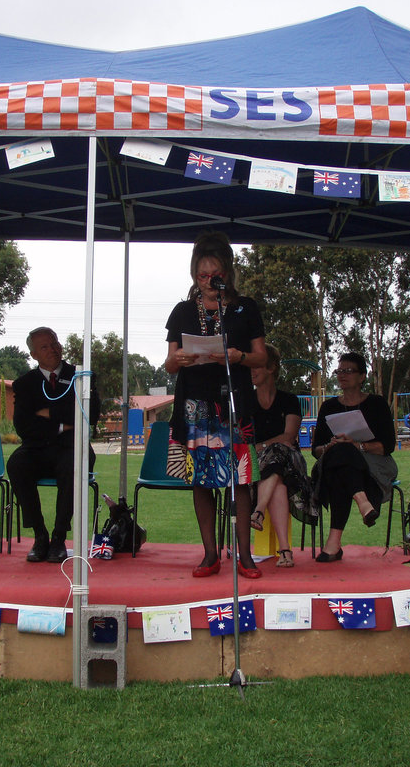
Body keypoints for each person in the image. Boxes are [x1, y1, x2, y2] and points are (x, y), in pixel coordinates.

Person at [165, 231, 267, 579]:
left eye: (215, 275)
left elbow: (261, 358)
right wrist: (177, 358)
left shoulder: (245, 307)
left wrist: (239, 356)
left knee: (240, 478)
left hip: (234, 403)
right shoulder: (181, 311)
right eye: (201, 275)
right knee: (201, 480)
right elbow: (168, 363)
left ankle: (245, 556)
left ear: (227, 272)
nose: (208, 281)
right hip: (196, 406)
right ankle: (210, 554)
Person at [6, 327, 100, 564]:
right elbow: (24, 426)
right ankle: (40, 535)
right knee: (16, 464)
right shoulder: (24, 384)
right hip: (38, 448)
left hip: (72, 447)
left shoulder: (81, 375)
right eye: (45, 347)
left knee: (74, 464)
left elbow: (89, 415)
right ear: (34, 354)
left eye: (55, 343)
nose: (53, 350)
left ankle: (59, 537)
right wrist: (64, 423)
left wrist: (49, 413)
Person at [310, 352, 398, 562]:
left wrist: (358, 445)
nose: (342, 375)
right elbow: (316, 450)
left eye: (349, 371)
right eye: (339, 370)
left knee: (344, 459)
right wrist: (330, 446)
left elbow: (387, 446)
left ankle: (333, 544)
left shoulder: (377, 404)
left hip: (371, 466)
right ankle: (363, 502)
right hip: (332, 463)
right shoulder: (328, 407)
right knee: (340, 451)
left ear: (362, 376)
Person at [250, 343, 314, 568]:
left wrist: (263, 445)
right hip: (259, 466)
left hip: (290, 462)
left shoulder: (289, 400)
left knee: (277, 453)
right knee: (277, 479)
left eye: (256, 365)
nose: (252, 370)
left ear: (271, 368)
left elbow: (288, 437)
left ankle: (259, 509)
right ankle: (285, 550)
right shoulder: (246, 401)